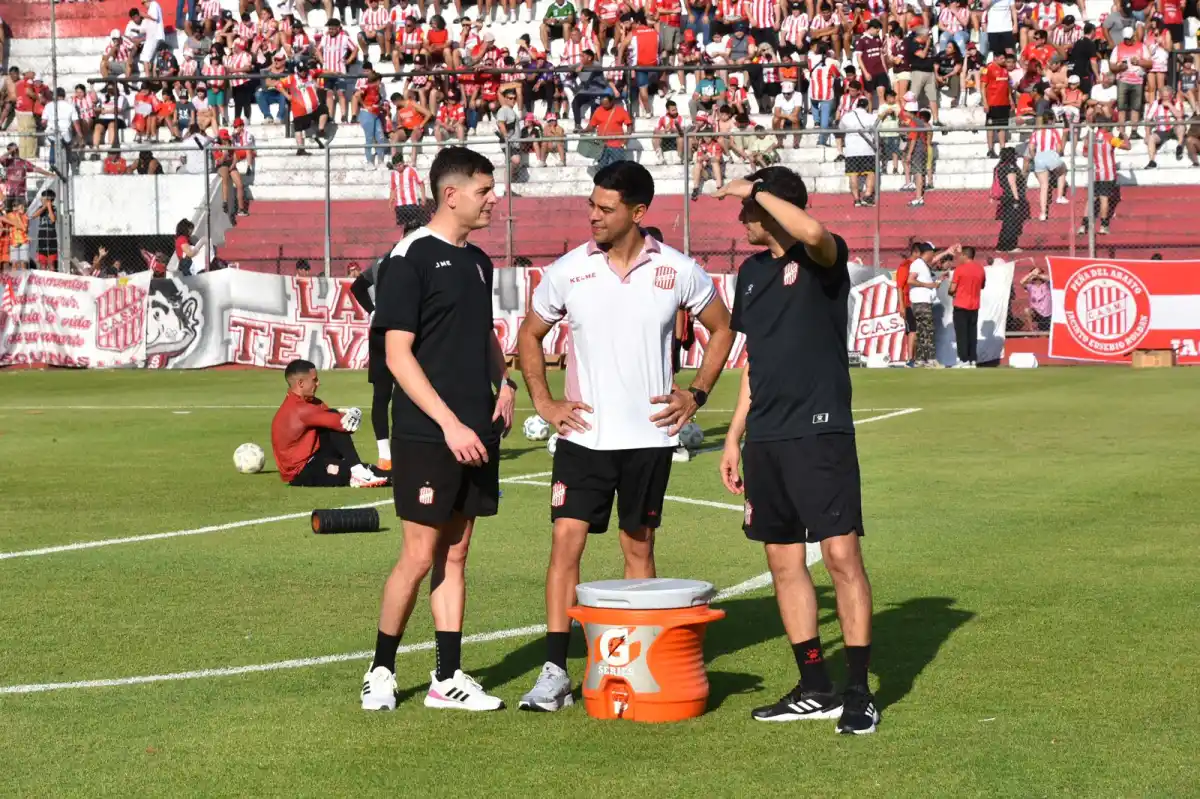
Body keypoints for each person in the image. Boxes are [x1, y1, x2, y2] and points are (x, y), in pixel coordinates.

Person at [515, 161, 734, 713]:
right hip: (583, 438)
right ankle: (553, 670)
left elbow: (723, 327)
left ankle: (642, 659)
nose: (593, 216)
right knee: (566, 543)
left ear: (638, 213)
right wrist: (544, 401)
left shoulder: (678, 270)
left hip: (650, 439)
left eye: (605, 208)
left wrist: (697, 394)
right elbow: (531, 333)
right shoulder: (568, 270)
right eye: (591, 205)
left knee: (639, 548)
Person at [712, 166, 877, 735]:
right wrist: (734, 435)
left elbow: (810, 234)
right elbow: (754, 362)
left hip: (819, 431)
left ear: (772, 204)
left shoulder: (823, 258)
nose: (741, 218)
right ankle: (814, 686)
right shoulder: (750, 274)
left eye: (750, 210)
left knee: (840, 559)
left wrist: (756, 191)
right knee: (783, 564)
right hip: (766, 439)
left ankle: (858, 691)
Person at [360, 147, 516, 713]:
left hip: (476, 428)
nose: (493, 199)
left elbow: (483, 335)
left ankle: (446, 677)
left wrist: (506, 384)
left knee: (458, 553)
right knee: (420, 554)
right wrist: (448, 423)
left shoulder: (478, 262)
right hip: (430, 435)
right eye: (483, 190)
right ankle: (380, 669)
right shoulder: (409, 258)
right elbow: (398, 355)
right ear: (451, 195)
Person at [270, 359, 390, 488]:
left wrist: (343, 416)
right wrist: (351, 415)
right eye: (314, 380)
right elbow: (342, 425)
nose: (318, 383)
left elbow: (336, 420)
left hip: (314, 457)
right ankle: (358, 471)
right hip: (302, 472)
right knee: (348, 469)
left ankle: (364, 471)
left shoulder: (309, 402)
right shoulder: (300, 408)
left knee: (332, 419)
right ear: (300, 383)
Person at [350, 256, 398, 470]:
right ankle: (404, 451)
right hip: (404, 330)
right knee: (409, 393)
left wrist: (373, 310)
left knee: (381, 395)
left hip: (380, 330)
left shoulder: (382, 260)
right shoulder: (414, 256)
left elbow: (358, 286)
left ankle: (385, 456)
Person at [907, 240, 943, 367]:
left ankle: (921, 359)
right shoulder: (918, 264)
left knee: (922, 331)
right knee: (928, 330)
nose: (933, 255)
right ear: (927, 252)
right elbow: (910, 280)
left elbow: (929, 284)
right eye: (932, 253)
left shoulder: (923, 265)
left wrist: (937, 282)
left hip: (923, 301)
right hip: (920, 302)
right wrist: (928, 285)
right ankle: (931, 359)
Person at [948, 245, 986, 367]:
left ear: (964, 255)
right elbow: (982, 285)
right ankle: (972, 359)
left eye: (961, 255)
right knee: (972, 333)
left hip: (961, 304)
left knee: (961, 334)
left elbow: (952, 289)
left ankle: (963, 359)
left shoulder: (960, 269)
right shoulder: (980, 269)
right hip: (974, 305)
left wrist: (950, 291)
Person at [994, 146, 1029, 252]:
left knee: (1007, 223)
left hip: (1005, 197)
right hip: (1011, 198)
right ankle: (1010, 246)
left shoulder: (1000, 166)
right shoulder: (1011, 167)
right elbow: (1012, 183)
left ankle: (1002, 246)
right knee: (1012, 223)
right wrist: (1017, 199)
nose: (1016, 157)